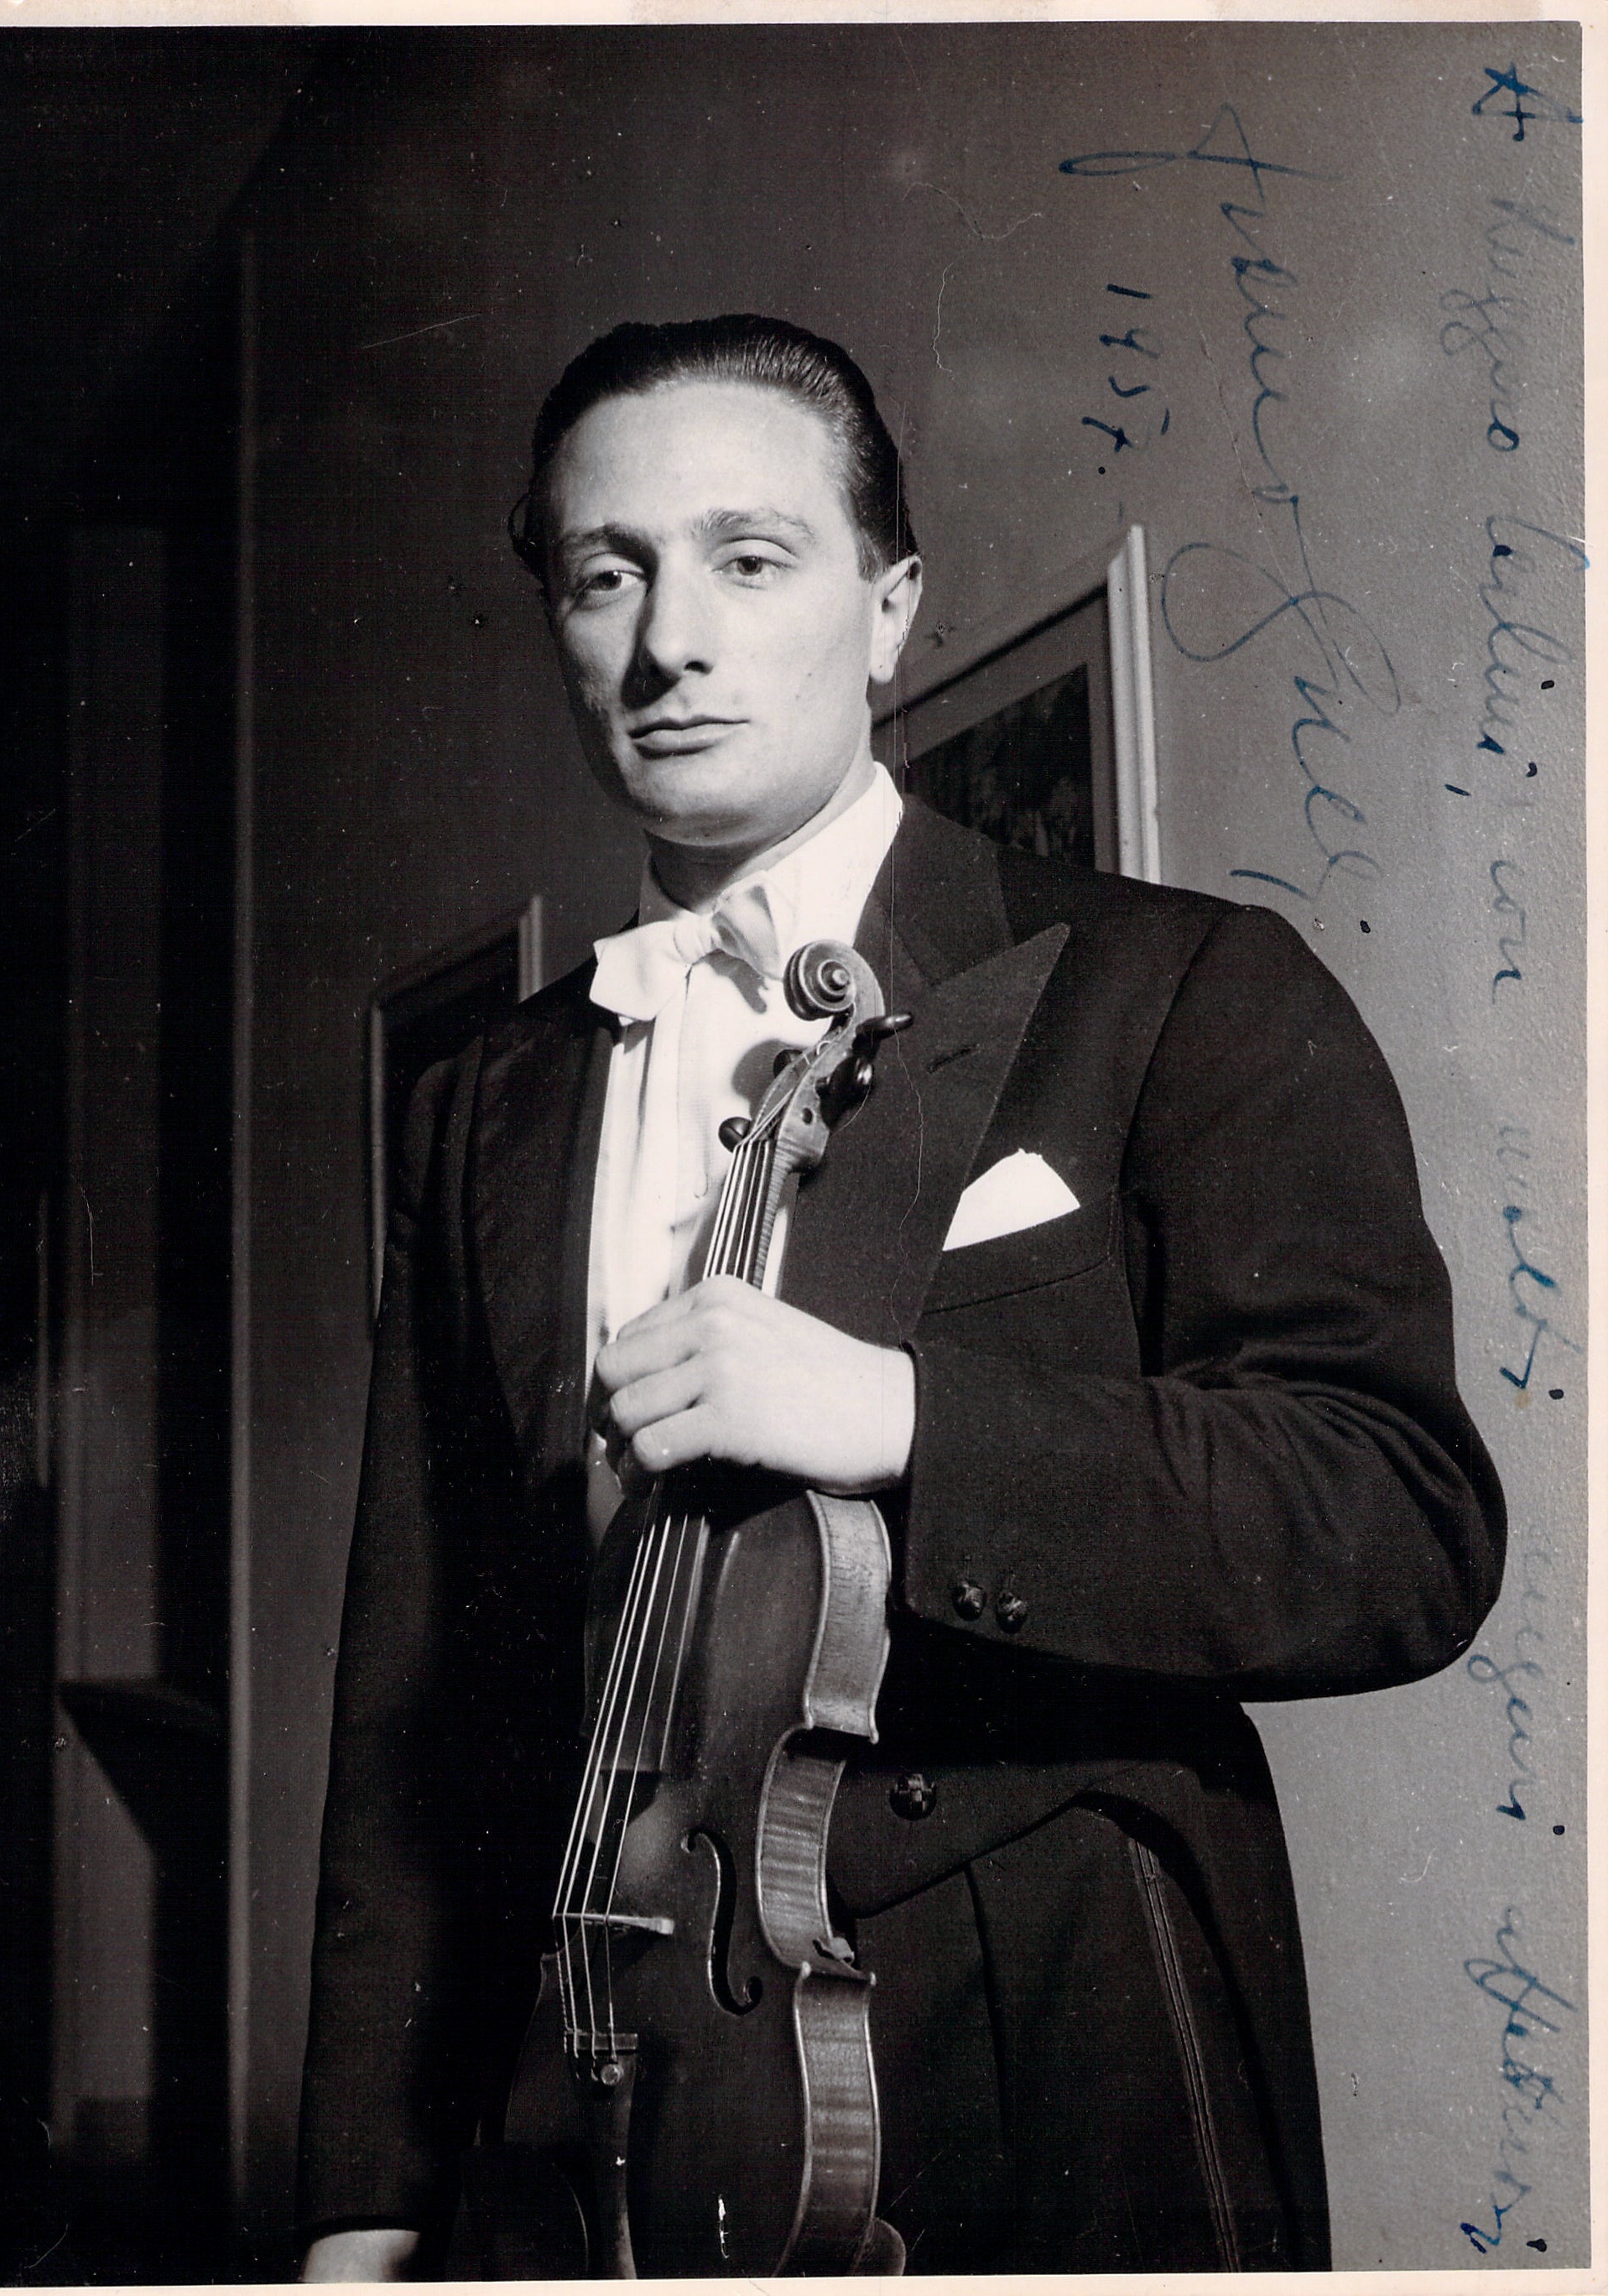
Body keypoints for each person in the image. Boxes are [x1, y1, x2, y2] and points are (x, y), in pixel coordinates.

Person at [297, 315, 1505, 2278]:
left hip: (1057, 2078)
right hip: (603, 2098)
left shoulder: (1179, 985)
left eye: (749, 558)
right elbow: (415, 1699)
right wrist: (365, 2194)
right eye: (606, 574)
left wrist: (906, 1417)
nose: (670, 640)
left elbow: (1401, 1520)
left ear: (888, 607)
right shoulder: (485, 1107)